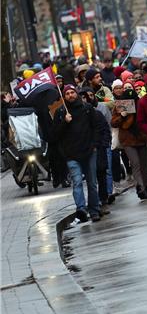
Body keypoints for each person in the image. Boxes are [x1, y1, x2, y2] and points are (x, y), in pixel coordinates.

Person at [53, 85, 102, 222]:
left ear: (77, 94)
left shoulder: (87, 108)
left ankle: (94, 210)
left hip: (89, 151)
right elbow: (55, 134)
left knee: (92, 183)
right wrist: (64, 122)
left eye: (72, 92)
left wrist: (94, 145)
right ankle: (81, 208)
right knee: (77, 182)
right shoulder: (61, 112)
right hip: (71, 154)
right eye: (67, 93)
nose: (70, 95)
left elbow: (96, 127)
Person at [112, 86, 147, 200]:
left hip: (141, 138)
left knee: (144, 164)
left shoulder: (141, 104)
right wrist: (122, 116)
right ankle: (141, 187)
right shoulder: (119, 106)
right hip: (128, 139)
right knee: (135, 163)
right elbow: (113, 122)